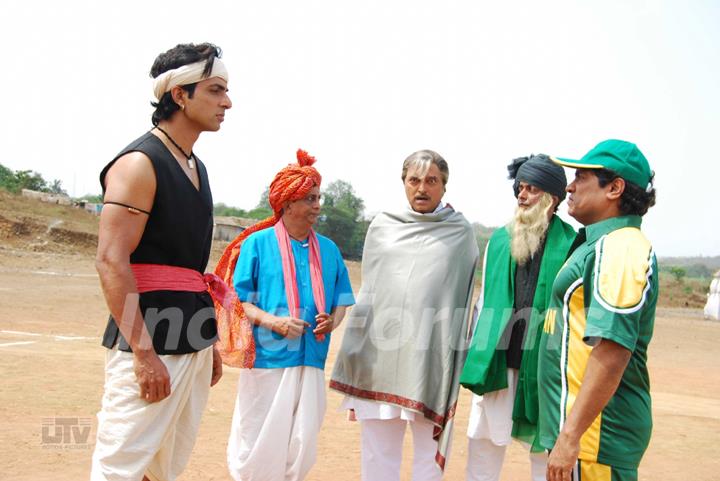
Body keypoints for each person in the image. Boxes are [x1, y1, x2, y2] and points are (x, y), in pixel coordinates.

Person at [90, 43, 232, 481]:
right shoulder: (139, 163)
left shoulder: (196, 166)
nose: (227, 102)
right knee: (121, 465)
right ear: (179, 95)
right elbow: (111, 261)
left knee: (164, 464)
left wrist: (206, 342)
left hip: (191, 332)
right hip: (151, 336)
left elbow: (189, 267)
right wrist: (143, 353)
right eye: (215, 90)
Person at [330, 150, 479, 481]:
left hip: (430, 360)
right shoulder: (383, 226)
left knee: (428, 456)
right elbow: (372, 293)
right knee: (378, 453)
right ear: (403, 183)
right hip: (379, 357)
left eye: (431, 181)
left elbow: (460, 295)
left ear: (444, 186)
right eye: (414, 180)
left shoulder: (459, 232)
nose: (422, 188)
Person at [215, 149, 355, 481]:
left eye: (318, 197)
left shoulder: (330, 250)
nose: (317, 205)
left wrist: (333, 319)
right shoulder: (258, 244)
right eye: (309, 198)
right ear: (288, 203)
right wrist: (273, 321)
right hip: (268, 358)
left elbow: (343, 300)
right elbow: (238, 301)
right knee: (258, 439)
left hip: (312, 358)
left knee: (303, 440)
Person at [538, 139, 658, 481]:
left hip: (595, 438)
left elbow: (613, 349)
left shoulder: (620, 248)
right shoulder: (599, 243)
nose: (570, 186)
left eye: (581, 177)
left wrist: (571, 436)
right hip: (583, 436)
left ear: (615, 188)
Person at [460, 154, 576, 481]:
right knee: (483, 445)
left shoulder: (572, 244)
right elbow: (485, 302)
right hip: (498, 361)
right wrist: (477, 355)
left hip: (545, 368)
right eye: (521, 188)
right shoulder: (499, 240)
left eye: (533, 189)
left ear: (553, 198)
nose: (522, 196)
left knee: (545, 452)